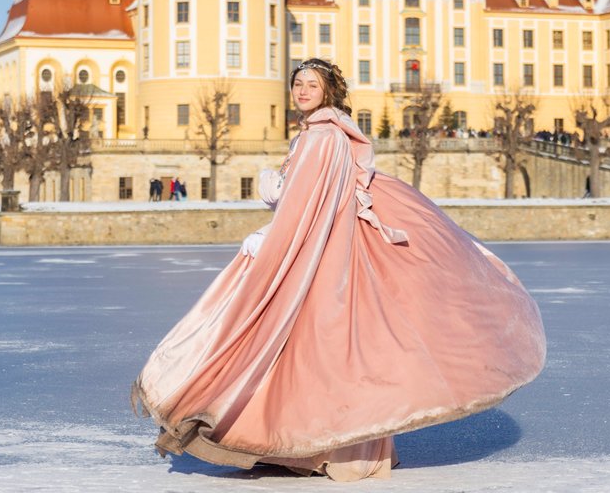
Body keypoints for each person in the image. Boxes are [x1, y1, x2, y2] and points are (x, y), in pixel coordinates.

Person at [132, 58, 545, 482]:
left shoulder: (322, 136)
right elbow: (317, 195)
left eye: (312, 83)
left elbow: (311, 203)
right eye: (298, 83)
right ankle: (332, 450)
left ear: (328, 91)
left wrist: (273, 228)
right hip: (332, 247)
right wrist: (281, 194)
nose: (303, 90)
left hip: (321, 252)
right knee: (331, 349)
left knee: (318, 348)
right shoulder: (322, 133)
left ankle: (317, 448)